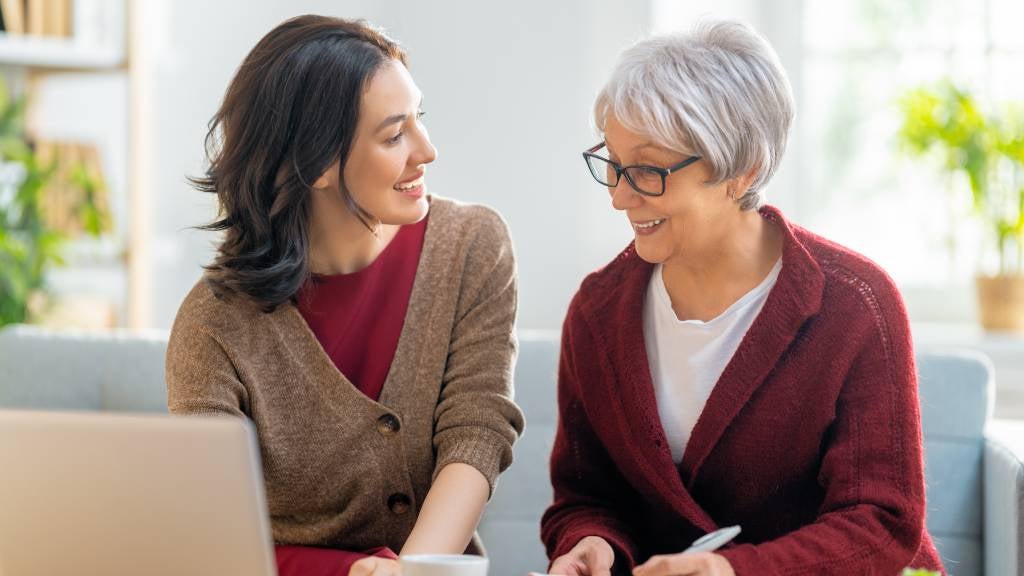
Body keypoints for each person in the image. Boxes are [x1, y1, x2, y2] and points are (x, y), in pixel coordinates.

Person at [541, 20, 944, 576]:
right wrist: (591, 542)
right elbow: (586, 498)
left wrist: (732, 571)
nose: (619, 197)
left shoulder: (857, 304)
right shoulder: (598, 312)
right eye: (611, 163)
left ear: (742, 170)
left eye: (648, 170)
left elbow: (881, 523)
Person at [165, 15, 523, 576]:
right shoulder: (213, 324)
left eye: (419, 119)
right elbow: (212, 531)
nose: (426, 151)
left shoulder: (472, 246)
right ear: (316, 164)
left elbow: (477, 429)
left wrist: (412, 570)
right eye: (393, 134)